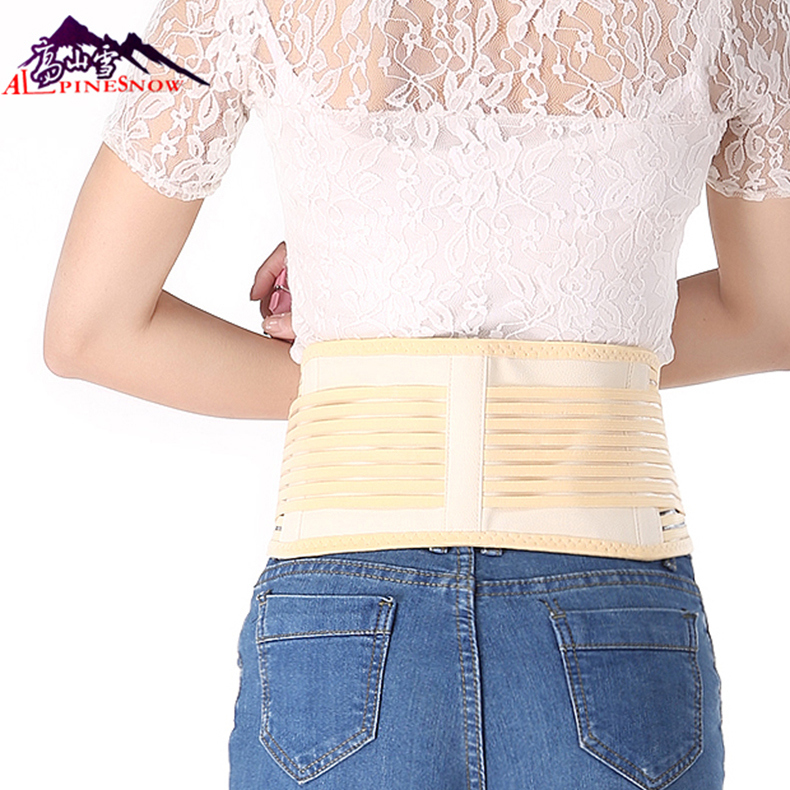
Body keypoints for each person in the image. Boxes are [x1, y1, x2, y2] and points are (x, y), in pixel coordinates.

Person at [43, 0, 790, 788]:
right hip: (614, 606)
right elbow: (770, 319)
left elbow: (92, 330)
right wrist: (577, 345)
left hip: (340, 610)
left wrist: (363, 355)